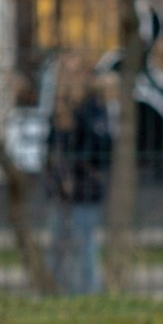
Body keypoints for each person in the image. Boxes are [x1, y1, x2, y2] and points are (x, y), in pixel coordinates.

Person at [44, 54, 113, 295]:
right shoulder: (58, 110)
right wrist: (56, 180)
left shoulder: (94, 107)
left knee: (85, 249)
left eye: (75, 73)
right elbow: (52, 151)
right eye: (65, 74)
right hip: (60, 195)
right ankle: (56, 297)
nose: (70, 79)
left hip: (85, 192)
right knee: (57, 250)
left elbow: (100, 148)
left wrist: (78, 117)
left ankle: (88, 297)